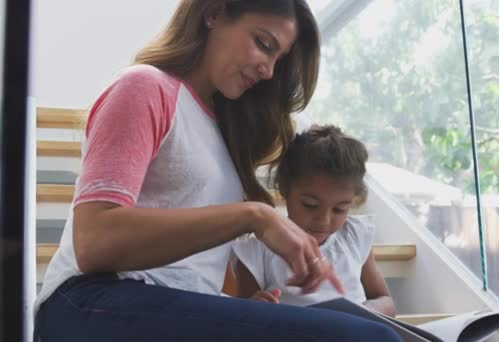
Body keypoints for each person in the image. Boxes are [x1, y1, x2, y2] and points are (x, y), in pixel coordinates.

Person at [33, 1, 402, 341]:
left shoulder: (222, 134)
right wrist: (253, 215)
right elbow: (94, 242)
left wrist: (241, 305)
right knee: (369, 339)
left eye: (279, 58)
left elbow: (192, 266)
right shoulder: (145, 86)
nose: (268, 69)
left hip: (162, 302)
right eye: (263, 43)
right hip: (91, 300)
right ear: (213, 13)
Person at [234, 125, 397, 317]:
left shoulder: (354, 236)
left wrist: (370, 310)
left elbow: (386, 302)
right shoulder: (258, 249)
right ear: (284, 188)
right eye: (310, 205)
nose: (324, 220)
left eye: (340, 209)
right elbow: (242, 317)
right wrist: (255, 306)